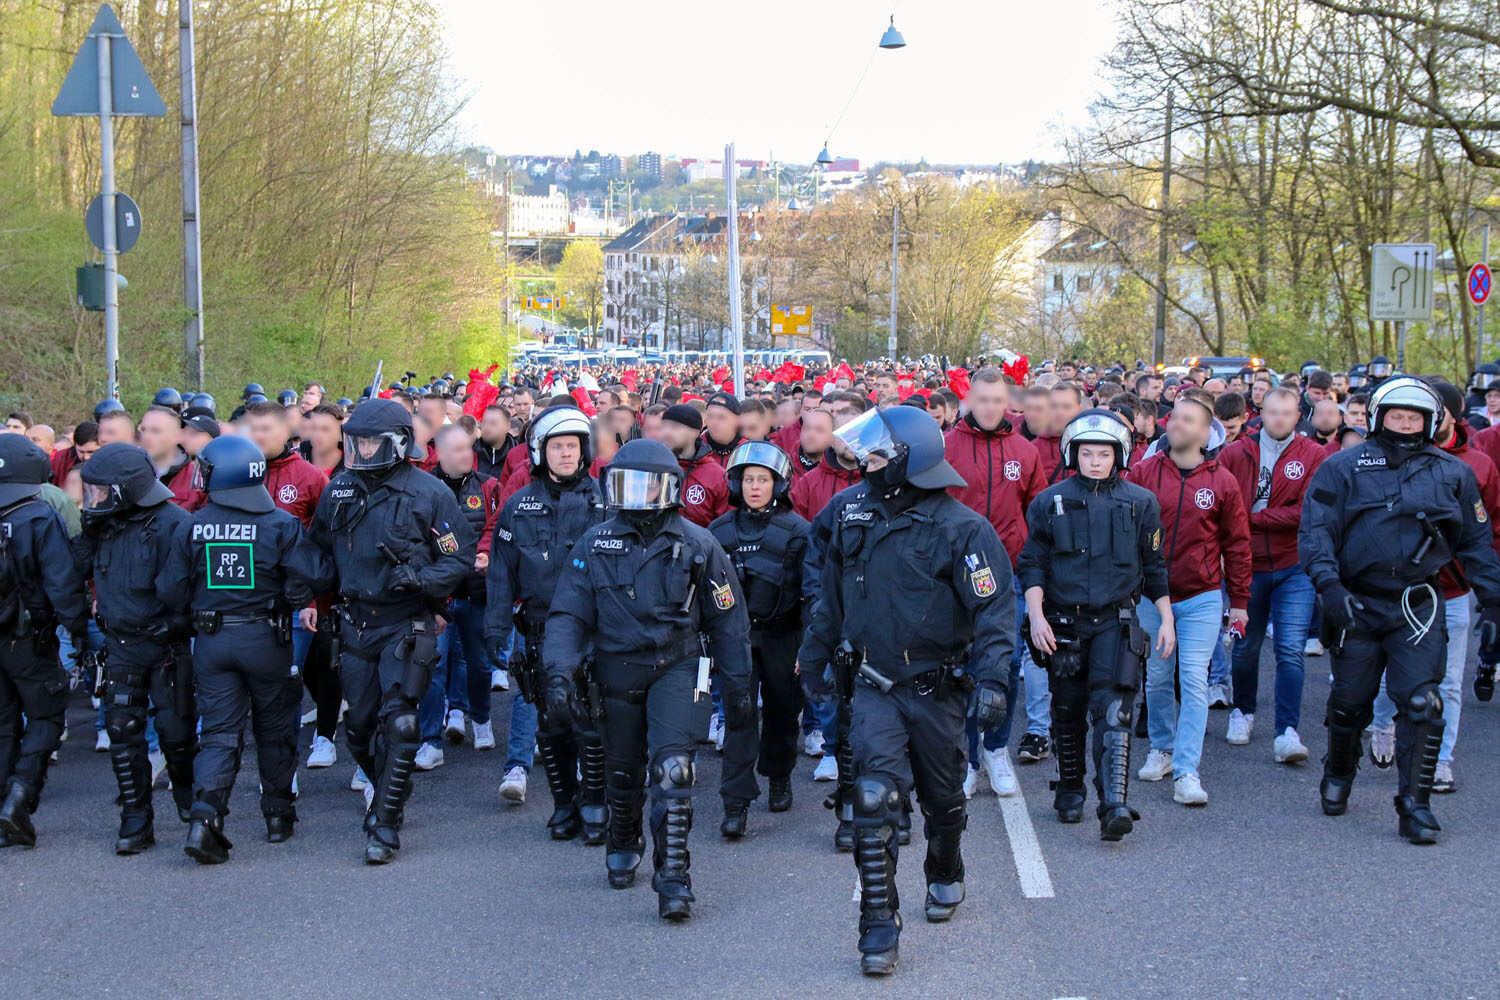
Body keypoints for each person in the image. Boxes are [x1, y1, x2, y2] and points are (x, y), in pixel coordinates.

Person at [799, 406, 1014, 976]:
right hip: (874, 686)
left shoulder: (963, 528)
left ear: (907, 460)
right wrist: (815, 656)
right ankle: (878, 922)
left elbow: (994, 608)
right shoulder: (848, 514)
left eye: (876, 454)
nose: (863, 462)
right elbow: (830, 597)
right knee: (873, 800)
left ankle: (945, 867)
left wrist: (993, 679)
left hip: (937, 689)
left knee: (944, 803)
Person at [543, 439, 751, 921]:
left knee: (674, 771)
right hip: (615, 668)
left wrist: (739, 686)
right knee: (622, 771)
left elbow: (728, 620)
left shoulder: (699, 544)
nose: (636, 496)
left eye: (646, 485)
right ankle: (623, 834)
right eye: (625, 484)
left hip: (677, 665)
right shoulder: (595, 544)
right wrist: (558, 673)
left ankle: (674, 874)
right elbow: (568, 614)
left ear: (671, 488)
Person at [1300, 376, 1500, 843]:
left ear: (1430, 422)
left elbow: (1475, 542)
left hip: (1418, 603)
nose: (1406, 424)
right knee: (1350, 704)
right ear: (1378, 419)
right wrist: (1328, 586)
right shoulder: (1343, 467)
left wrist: (1492, 602)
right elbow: (1316, 531)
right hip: (1356, 600)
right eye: (1397, 416)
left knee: (1423, 702)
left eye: (1414, 418)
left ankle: (1415, 803)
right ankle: (1340, 770)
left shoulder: (1453, 474)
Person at [307, 399, 475, 864]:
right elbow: (318, 549)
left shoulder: (430, 493)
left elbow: (457, 556)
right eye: (355, 441)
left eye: (371, 442)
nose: (361, 449)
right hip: (356, 621)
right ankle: (385, 788)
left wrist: (423, 581)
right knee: (358, 728)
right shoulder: (339, 490)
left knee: (400, 721)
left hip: (406, 619)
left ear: (398, 444)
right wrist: (304, 575)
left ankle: (385, 821)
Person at [155, 434, 328, 862]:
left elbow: (170, 592)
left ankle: (205, 818)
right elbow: (313, 578)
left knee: (218, 734)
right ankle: (277, 816)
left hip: (212, 641)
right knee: (274, 729)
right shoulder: (281, 524)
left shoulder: (191, 526)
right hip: (265, 639)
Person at [1018, 409, 1171, 840]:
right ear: (1074, 454)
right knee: (1067, 712)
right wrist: (1035, 617)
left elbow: (1155, 566)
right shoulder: (1049, 502)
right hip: (1064, 623)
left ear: (1119, 455)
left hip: (1116, 622)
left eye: (1104, 454)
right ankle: (1070, 789)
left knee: (1115, 711)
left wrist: (1166, 618)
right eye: (1087, 453)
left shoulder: (1141, 503)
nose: (1096, 461)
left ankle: (1115, 804)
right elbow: (1032, 564)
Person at [1364, 380, 1500, 793]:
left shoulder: (1477, 465)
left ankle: (1440, 761)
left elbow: (1488, 528)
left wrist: (1491, 594)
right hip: (1400, 590)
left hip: (1455, 592)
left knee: (1448, 681)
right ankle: (1383, 722)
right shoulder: (1387, 455)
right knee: (1393, 672)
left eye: (1431, 410)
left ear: (1451, 415)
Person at [1126, 390, 1252, 806]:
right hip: (1151, 595)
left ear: (1205, 431)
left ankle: (1186, 770)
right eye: (1173, 417)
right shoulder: (1144, 473)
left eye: (1187, 420)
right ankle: (1161, 749)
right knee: (1158, 678)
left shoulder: (1222, 481)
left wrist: (1239, 602)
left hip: (1201, 597)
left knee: (1194, 680)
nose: (1176, 424)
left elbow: (1237, 545)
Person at [485, 407, 605, 837]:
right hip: (536, 630)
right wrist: (495, 630)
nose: (567, 455)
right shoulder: (518, 506)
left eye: (573, 446)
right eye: (558, 447)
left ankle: (595, 804)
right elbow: (500, 572)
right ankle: (564, 806)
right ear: (541, 451)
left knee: (591, 722)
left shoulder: (606, 501)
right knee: (551, 723)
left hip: (593, 633)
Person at [78, 444, 198, 853]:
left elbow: (193, 591)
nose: (94, 500)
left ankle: (187, 798)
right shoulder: (102, 525)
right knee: (123, 733)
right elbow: (69, 570)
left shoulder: (175, 524)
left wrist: (175, 626)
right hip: (121, 645)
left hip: (166, 646)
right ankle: (135, 817)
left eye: (101, 491)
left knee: (177, 734)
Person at [943, 368, 1050, 794]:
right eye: (982, 399)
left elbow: (1037, 514)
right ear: (968, 400)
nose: (989, 407)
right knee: (964, 668)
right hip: (957, 578)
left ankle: (997, 748)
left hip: (1009, 577)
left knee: (1003, 665)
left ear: (1008, 403)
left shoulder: (1025, 451)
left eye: (997, 400)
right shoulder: (947, 447)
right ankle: (969, 758)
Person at [1218, 386, 1324, 760]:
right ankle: (1242, 711)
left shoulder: (1313, 455)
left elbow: (1306, 511)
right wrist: (1243, 526)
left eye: (1287, 413)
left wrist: (1252, 519)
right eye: (1273, 411)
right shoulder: (1235, 452)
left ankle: (1287, 730)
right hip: (1245, 568)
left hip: (1294, 566)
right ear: (1260, 412)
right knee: (1245, 648)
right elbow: (1222, 505)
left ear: (1298, 416)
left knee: (1290, 650)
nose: (1279, 419)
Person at [709, 442, 809, 838]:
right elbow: (704, 593)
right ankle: (735, 802)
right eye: (748, 479)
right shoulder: (717, 532)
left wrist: (809, 645)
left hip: (784, 634)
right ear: (736, 482)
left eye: (763, 479)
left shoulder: (799, 531)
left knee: (784, 712)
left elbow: (811, 590)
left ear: (777, 484)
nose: (754, 486)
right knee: (739, 715)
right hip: (737, 637)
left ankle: (779, 774)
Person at [0, 436, 89, 847]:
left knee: (2, 724)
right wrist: (78, 632)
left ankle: (5, 805)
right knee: (46, 717)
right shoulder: (37, 516)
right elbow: (63, 582)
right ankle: (19, 798)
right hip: (28, 639)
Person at [417, 425, 502, 768]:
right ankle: (430, 740)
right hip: (436, 597)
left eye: (469, 448)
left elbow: (496, 526)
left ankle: (480, 719)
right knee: (431, 667)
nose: (466, 455)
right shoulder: (423, 488)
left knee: (480, 664)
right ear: (439, 452)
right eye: (457, 450)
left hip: (475, 593)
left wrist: (485, 554)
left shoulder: (488, 486)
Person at [653, 403, 729, 528]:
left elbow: (725, 527)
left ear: (695, 432)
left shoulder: (718, 477)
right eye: (664, 426)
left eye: (675, 427)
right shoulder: (653, 469)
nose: (666, 432)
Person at [700, 393, 743, 466]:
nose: (714, 422)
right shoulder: (696, 449)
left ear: (737, 420)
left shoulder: (748, 449)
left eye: (721, 417)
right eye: (710, 416)